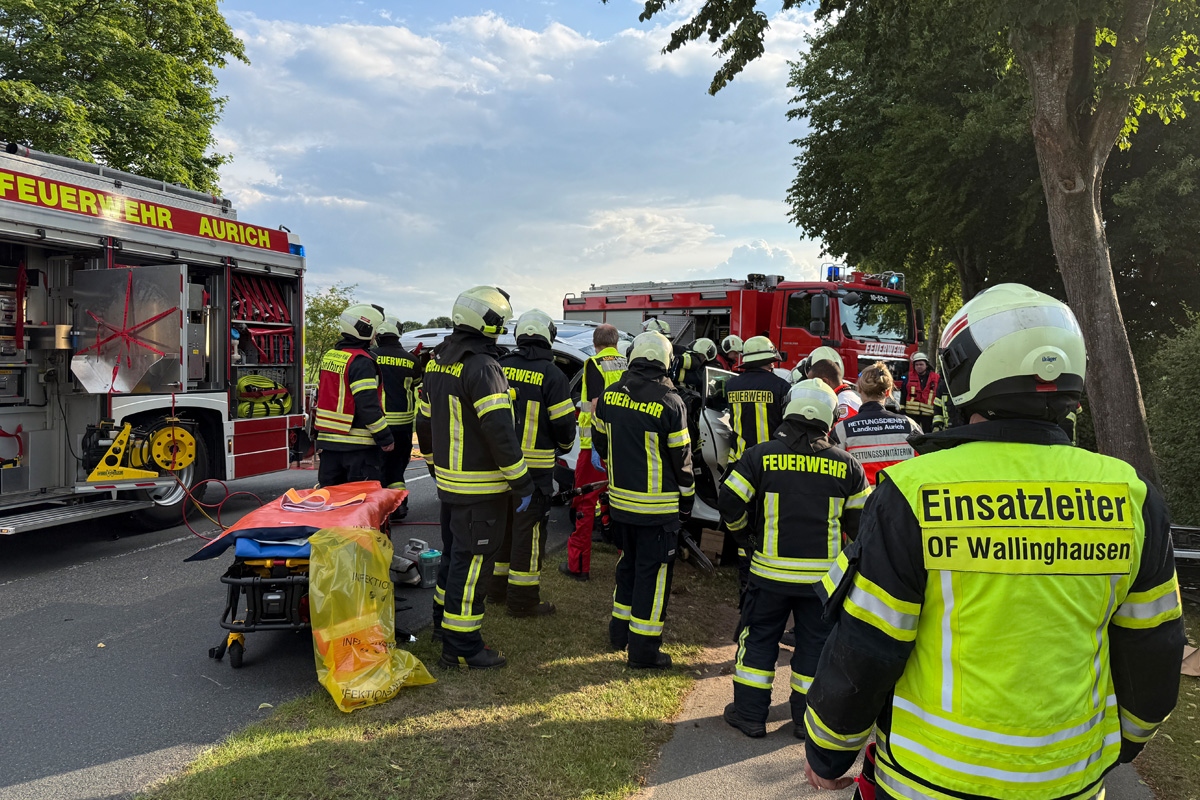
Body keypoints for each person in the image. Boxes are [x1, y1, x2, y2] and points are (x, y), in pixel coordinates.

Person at [803, 283, 1185, 798]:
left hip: (928, 781)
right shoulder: (1132, 498)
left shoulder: (916, 492)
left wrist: (828, 751)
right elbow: (1155, 647)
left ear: (965, 374)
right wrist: (1124, 745)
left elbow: (868, 644)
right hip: (1069, 783)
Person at [718, 379, 870, 739]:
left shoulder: (759, 455)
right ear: (828, 417)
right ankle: (804, 721)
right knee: (815, 646)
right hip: (822, 582)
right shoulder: (848, 465)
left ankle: (750, 715)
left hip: (768, 574)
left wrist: (745, 536)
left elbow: (729, 500)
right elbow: (862, 525)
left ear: (790, 408)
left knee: (758, 641)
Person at [415, 286, 533, 670]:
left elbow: (425, 422)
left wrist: (434, 465)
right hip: (481, 489)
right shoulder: (483, 367)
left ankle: (441, 627)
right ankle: (463, 646)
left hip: (451, 486)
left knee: (453, 559)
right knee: (473, 566)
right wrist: (522, 482)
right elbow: (501, 432)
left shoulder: (437, 361)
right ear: (489, 322)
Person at [593, 331, 695, 669]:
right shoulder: (670, 401)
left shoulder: (610, 395)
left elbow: (600, 442)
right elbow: (682, 461)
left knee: (628, 567)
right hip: (657, 511)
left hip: (620, 504)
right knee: (653, 578)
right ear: (666, 361)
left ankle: (618, 632)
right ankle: (643, 651)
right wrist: (687, 504)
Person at [489, 310, 576, 617]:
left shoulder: (499, 367)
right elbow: (564, 425)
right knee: (529, 532)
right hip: (535, 471)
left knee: (504, 527)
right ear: (548, 337)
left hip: (500, 467)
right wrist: (564, 447)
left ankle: (496, 590)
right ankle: (523, 600)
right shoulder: (553, 375)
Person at [562, 324, 627, 581]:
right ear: (616, 340)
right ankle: (626, 561)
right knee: (620, 503)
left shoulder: (593, 364)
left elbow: (597, 404)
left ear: (595, 341)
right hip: (622, 447)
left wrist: (599, 445)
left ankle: (579, 566)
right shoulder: (627, 363)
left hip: (595, 448)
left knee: (584, 504)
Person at [314, 303, 395, 486]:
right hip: (358, 449)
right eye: (374, 330)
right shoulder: (361, 362)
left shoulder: (330, 356)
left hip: (328, 447)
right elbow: (367, 404)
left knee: (332, 505)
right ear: (364, 330)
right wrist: (385, 437)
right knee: (362, 506)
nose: (376, 335)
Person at [831, 361, 921, 485]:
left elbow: (834, 475)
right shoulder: (910, 426)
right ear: (888, 391)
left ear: (859, 389)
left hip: (861, 503)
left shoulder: (842, 430)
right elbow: (921, 469)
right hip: (901, 501)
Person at [372, 313, 423, 520]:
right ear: (397, 336)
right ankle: (400, 506)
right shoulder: (412, 360)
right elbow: (416, 383)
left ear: (379, 337)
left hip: (378, 423)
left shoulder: (371, 357)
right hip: (403, 426)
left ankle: (381, 509)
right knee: (397, 468)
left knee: (379, 466)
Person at [724, 335, 791, 464]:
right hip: (771, 460)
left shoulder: (731, 385)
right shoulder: (782, 386)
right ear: (769, 361)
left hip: (740, 459)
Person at [807, 346, 861, 422]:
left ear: (825, 382)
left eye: (814, 384)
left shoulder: (842, 404)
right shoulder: (845, 397)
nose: (813, 389)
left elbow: (839, 432)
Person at [898, 351, 943, 433]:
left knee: (927, 435)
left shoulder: (936, 378)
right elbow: (904, 394)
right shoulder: (908, 377)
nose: (919, 367)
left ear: (926, 365)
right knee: (911, 434)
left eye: (921, 364)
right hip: (911, 414)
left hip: (929, 415)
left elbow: (939, 396)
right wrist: (902, 411)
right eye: (916, 365)